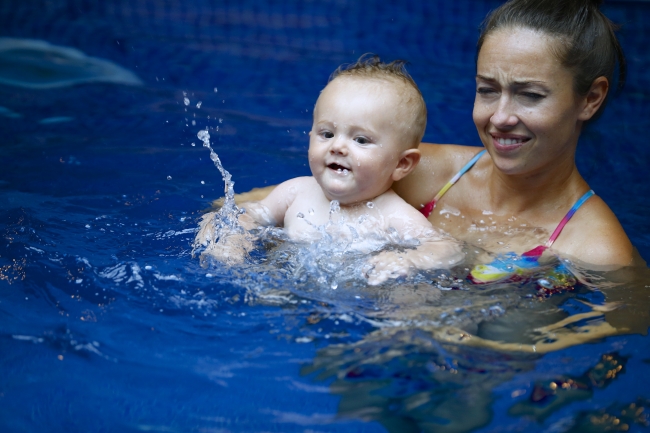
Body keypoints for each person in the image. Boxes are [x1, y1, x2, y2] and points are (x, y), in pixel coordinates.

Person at [392, 0, 636, 272]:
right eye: (487, 90)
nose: (499, 117)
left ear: (590, 99)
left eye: (530, 95)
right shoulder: (417, 173)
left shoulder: (596, 251)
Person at [194, 56, 462, 284]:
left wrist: (409, 259)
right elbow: (252, 213)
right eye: (327, 133)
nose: (338, 147)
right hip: (281, 287)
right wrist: (230, 233)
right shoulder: (296, 192)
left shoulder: (393, 215)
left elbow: (448, 249)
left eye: (360, 140)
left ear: (401, 164)